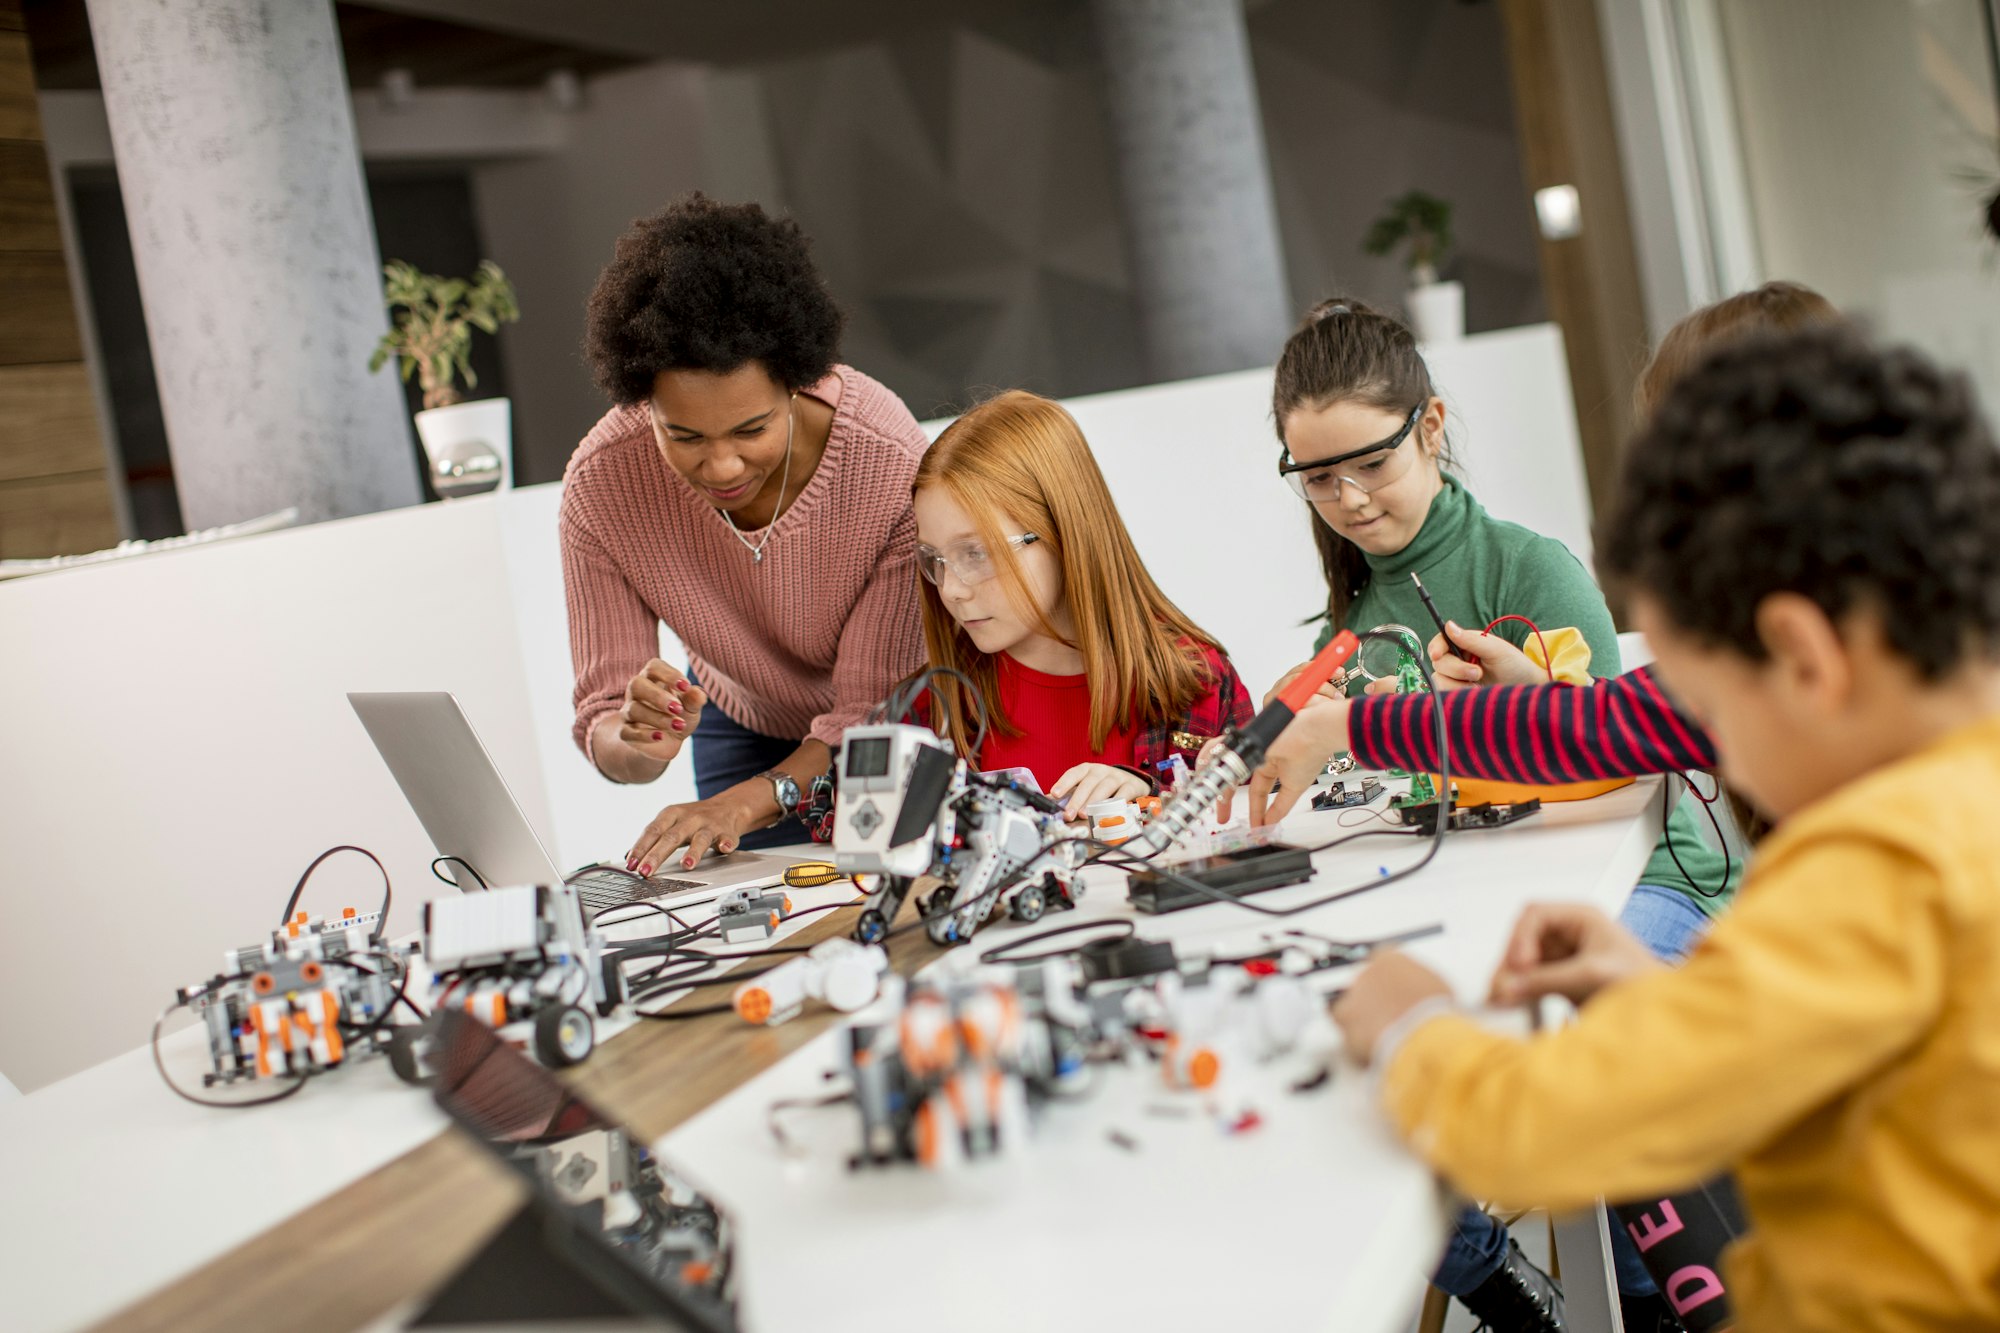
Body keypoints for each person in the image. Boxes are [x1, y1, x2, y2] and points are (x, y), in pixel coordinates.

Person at [1332, 325, 2000, 1333]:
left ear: (1801, 659)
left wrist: (1409, 1025)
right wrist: (1655, 991)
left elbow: (1542, 1132)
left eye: (1708, 708)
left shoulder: (1870, 866)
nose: (1711, 750)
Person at [1258, 297, 1742, 1330]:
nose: (1343, 499)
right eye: (1316, 478)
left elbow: (1609, 748)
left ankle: (1633, 1298)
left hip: (1647, 884)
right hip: (1500, 892)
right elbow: (1612, 727)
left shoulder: (1549, 576)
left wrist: (1378, 729)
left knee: (1551, 1051)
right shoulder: (1352, 612)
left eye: (1365, 466)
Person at [562, 194, 931, 873]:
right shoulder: (601, 487)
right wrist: (639, 741)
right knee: (760, 936)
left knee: (891, 905)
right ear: (641, 400)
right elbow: (605, 719)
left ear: (797, 379)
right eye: (684, 435)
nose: (723, 465)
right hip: (741, 722)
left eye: (752, 429)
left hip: (880, 728)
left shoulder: (888, 460)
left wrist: (737, 806)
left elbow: (867, 718)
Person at [908, 390, 1250, 817]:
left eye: (976, 554)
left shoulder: (1194, 682)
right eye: (934, 560)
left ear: (1061, 532)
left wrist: (1150, 794)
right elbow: (843, 825)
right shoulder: (931, 707)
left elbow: (1255, 809)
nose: (951, 590)